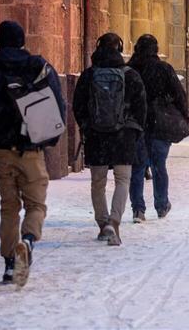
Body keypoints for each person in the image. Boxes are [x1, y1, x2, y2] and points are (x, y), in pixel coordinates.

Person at [0, 20, 65, 285]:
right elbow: (58, 104)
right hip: (31, 148)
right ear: (22, 41)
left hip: (1, 151)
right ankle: (28, 241)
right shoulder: (39, 67)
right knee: (36, 205)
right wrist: (49, 137)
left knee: (9, 207)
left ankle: (9, 264)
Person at [73, 33, 147, 246]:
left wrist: (87, 126)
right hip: (123, 136)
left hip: (97, 135)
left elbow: (78, 106)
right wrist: (135, 130)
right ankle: (115, 221)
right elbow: (141, 107)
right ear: (120, 48)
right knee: (123, 179)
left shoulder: (89, 76)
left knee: (98, 182)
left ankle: (102, 222)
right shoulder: (130, 75)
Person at [127, 34, 189, 222]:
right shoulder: (164, 69)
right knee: (159, 166)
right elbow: (180, 95)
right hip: (159, 124)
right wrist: (183, 117)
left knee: (137, 168)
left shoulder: (130, 70)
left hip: (136, 124)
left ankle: (138, 209)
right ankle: (161, 205)